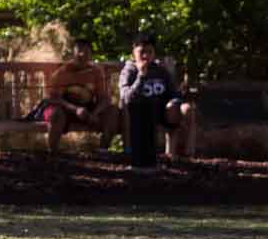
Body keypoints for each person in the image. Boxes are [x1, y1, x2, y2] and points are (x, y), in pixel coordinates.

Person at [33, 36, 120, 156]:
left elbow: (104, 99)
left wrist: (94, 113)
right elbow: (53, 98)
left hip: (87, 110)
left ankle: (103, 150)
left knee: (113, 111)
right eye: (79, 51)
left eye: (87, 52)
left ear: (91, 55)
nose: (82, 54)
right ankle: (53, 153)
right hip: (64, 109)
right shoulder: (62, 72)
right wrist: (75, 109)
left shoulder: (96, 72)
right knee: (56, 114)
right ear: (73, 53)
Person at [118, 32, 193, 165]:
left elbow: (174, 93)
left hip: (161, 111)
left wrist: (175, 102)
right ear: (133, 53)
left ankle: (180, 155)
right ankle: (131, 152)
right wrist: (141, 76)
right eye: (142, 52)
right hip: (139, 114)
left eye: (150, 52)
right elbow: (126, 97)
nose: (146, 56)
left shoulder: (161, 71)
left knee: (186, 108)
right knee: (128, 107)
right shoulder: (129, 71)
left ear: (154, 53)